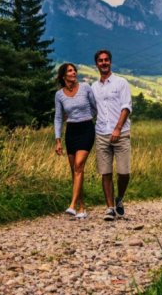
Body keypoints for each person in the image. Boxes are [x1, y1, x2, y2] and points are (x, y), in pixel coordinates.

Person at [91, 49, 132, 221]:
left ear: (110, 62)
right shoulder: (93, 87)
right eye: (100, 60)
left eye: (106, 60)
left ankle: (119, 199)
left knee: (124, 172)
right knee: (105, 172)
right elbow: (92, 110)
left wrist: (117, 128)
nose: (104, 63)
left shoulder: (121, 82)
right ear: (96, 64)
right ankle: (109, 208)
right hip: (101, 133)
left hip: (121, 133)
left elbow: (126, 107)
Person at [54, 62, 97, 219]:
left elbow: (95, 107)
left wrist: (88, 118)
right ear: (64, 76)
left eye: (74, 70)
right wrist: (57, 140)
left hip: (86, 129)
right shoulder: (59, 95)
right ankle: (82, 207)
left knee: (79, 166)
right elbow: (58, 117)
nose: (74, 73)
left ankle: (72, 205)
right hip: (71, 131)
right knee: (75, 171)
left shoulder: (85, 87)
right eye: (70, 71)